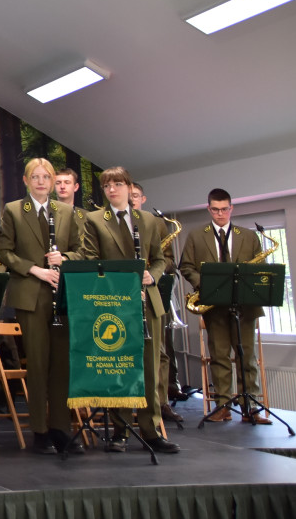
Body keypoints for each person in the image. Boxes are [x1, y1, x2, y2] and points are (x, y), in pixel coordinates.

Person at [80, 167, 180, 454]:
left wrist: (153, 275)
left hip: (147, 300)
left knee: (150, 368)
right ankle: (121, 431)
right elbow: (90, 259)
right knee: (120, 364)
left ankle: (151, 430)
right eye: (107, 185)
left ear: (128, 187)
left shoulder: (147, 220)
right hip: (114, 301)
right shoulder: (95, 220)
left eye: (118, 184)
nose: (112, 189)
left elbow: (160, 259)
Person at [0, 158, 84, 455]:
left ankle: (61, 427)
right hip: (31, 294)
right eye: (37, 177)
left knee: (61, 366)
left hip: (62, 295)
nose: (43, 182)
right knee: (38, 364)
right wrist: (36, 270)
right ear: (26, 180)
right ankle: (40, 431)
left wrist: (66, 260)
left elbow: (82, 250)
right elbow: (3, 251)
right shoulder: (14, 210)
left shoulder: (67, 211)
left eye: (47, 177)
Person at [180, 188, 269, 425]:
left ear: (232, 209)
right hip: (214, 305)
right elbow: (186, 266)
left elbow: (260, 270)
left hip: (245, 306)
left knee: (246, 357)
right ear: (209, 209)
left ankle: (251, 408)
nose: (220, 213)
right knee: (219, 356)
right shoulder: (196, 235)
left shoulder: (249, 236)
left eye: (225, 209)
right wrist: (206, 285)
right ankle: (223, 406)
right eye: (216, 209)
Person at [130, 181, 184, 423]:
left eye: (135, 196)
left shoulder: (157, 223)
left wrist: (152, 270)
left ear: (143, 198)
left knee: (160, 352)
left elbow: (170, 260)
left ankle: (160, 403)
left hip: (154, 290)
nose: (131, 199)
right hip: (126, 293)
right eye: (128, 195)